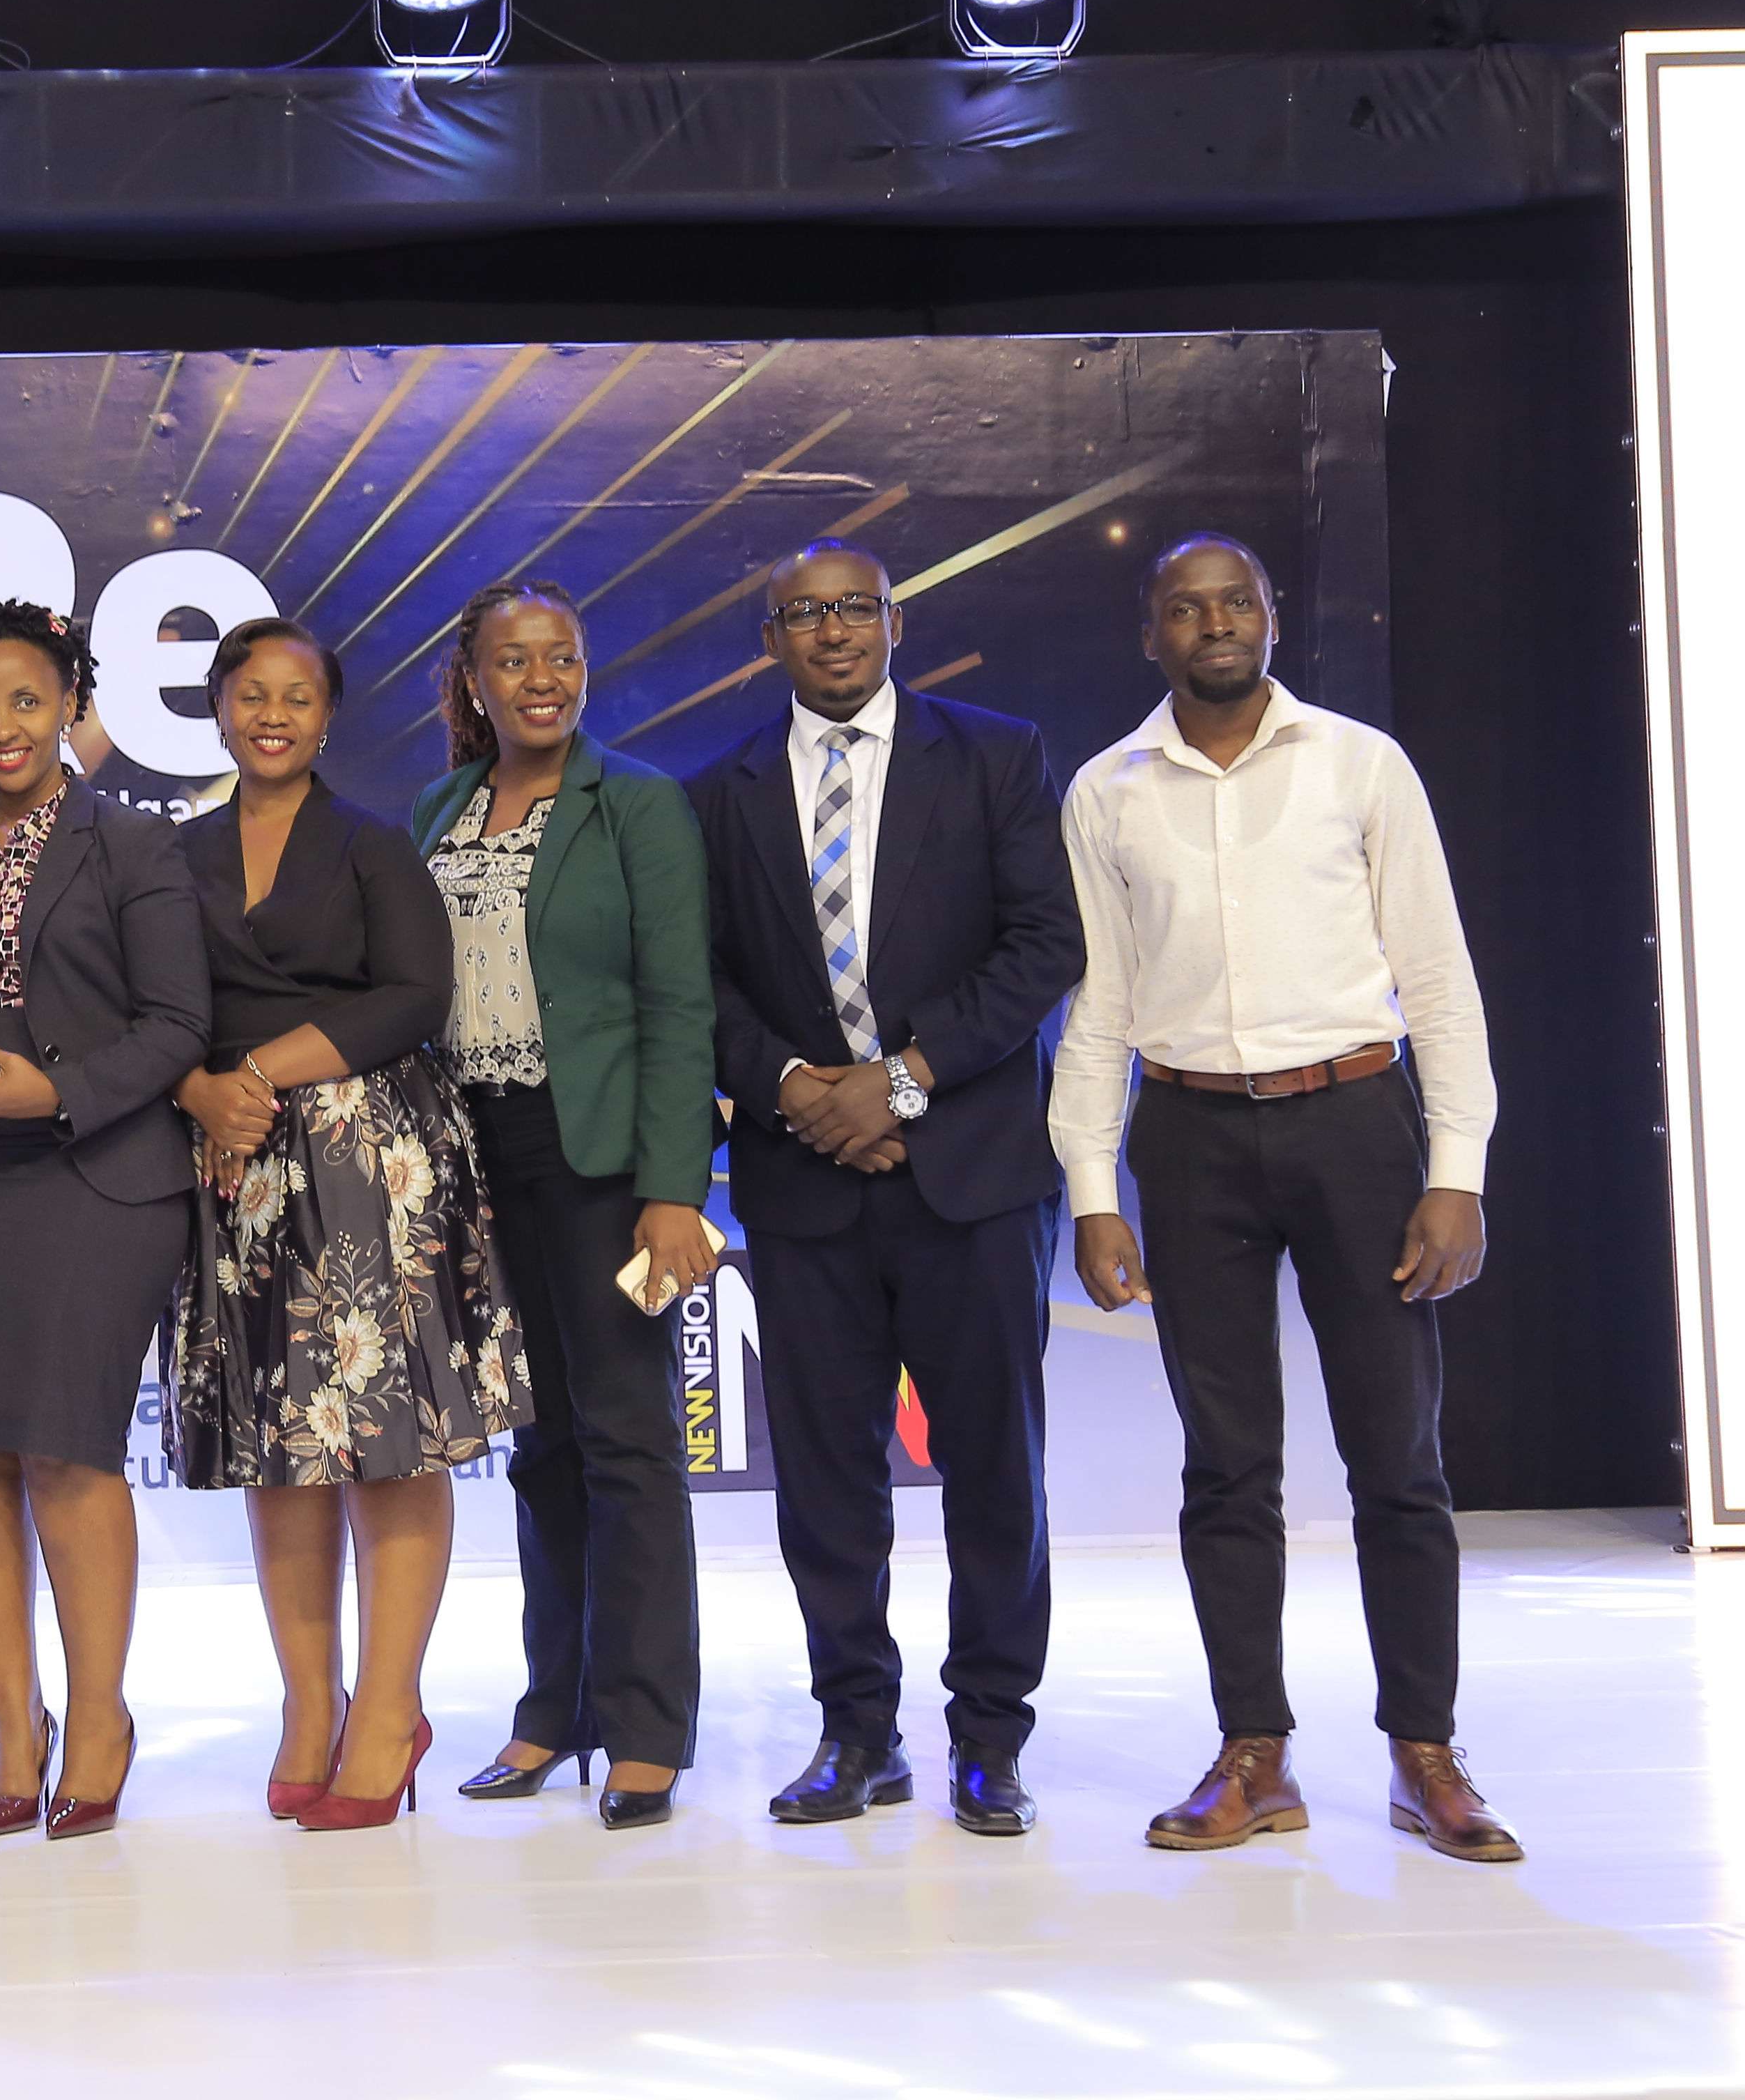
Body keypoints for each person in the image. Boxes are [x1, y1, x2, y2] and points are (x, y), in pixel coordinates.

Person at [1054, 534, 1518, 1862]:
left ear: (1268, 619)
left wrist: (1455, 1174)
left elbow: (1439, 983)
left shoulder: (1361, 765)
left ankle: (1424, 1754)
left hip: (1361, 1127)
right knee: (1227, 1466)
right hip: (1192, 1141)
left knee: (1399, 1463)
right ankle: (1253, 1754)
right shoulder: (1110, 792)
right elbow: (1100, 1010)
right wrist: (1095, 1186)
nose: (1215, 623)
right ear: (1152, 636)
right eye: (1185, 607)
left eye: (1236, 602)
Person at [689, 542, 1082, 1839]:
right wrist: (802, 1089)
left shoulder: (1000, 754)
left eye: (855, 608)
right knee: (827, 1478)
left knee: (994, 1470)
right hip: (806, 1186)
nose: (834, 631)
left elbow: (1044, 948)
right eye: (804, 614)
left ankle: (989, 1741)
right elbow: (702, 987)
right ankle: (857, 1732)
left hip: (967, 1174)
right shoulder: (721, 792)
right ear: (771, 639)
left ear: (896, 622)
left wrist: (900, 1085)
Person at [170, 615, 528, 1834]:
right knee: (283, 1454)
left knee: (388, 1443)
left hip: (369, 1160)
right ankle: (306, 1709)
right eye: (251, 694)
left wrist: (255, 1069)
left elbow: (415, 999)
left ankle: (390, 1710)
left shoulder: (377, 846)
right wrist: (201, 1092)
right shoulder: (174, 855)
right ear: (220, 710)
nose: (273, 714)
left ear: (328, 718)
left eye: (299, 697)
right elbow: (148, 1005)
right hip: (237, 1171)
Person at [0, 600, 209, 1840]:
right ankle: (16, 1728)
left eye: (27, 701)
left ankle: (102, 1715)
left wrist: (57, 1088)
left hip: (90, 1174)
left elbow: (178, 1026)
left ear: (73, 702)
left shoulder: (132, 847)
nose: (3, 727)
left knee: (68, 1452)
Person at [408, 577, 720, 1830]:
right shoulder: (439, 809)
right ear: (472, 680)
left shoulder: (637, 803)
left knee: (631, 1447)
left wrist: (671, 1192)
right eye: (513, 660)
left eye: (562, 657)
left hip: (601, 1165)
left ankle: (647, 1729)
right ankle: (557, 1710)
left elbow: (678, 1007)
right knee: (542, 1449)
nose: (541, 679)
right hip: (481, 1167)